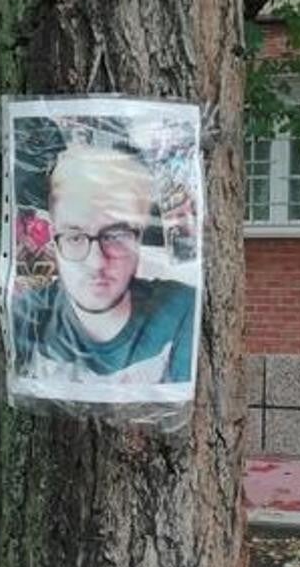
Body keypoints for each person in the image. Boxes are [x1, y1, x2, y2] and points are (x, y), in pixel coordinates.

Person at [12, 143, 196, 386]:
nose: (97, 262)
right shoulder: (28, 317)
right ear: (54, 240)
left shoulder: (181, 310)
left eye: (115, 236)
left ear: (139, 237)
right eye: (75, 237)